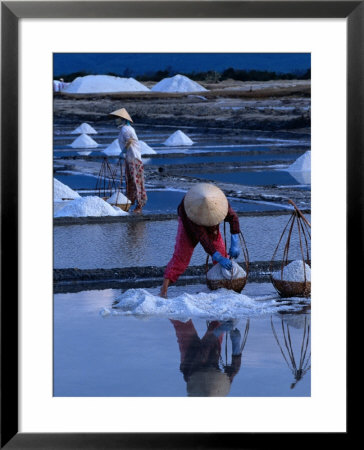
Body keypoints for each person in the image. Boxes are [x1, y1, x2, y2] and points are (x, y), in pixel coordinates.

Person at [160, 183, 241, 298]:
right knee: (181, 259)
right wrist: (216, 256)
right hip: (189, 225)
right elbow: (203, 239)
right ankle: (164, 289)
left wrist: (235, 243)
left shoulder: (219, 201)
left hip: (212, 223)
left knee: (222, 254)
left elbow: (233, 218)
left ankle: (222, 285)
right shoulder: (190, 211)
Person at [170, 318, 243, 396]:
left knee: (182, 323)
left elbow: (205, 347)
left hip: (190, 357)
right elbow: (234, 369)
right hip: (212, 357)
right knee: (218, 323)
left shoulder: (195, 368)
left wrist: (217, 332)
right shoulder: (220, 386)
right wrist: (236, 345)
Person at [109, 108, 147, 214]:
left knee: (135, 182)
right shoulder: (125, 128)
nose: (116, 120)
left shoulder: (125, 129)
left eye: (118, 118)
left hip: (133, 158)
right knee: (130, 181)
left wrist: (123, 152)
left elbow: (129, 141)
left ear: (123, 119)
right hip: (130, 158)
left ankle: (139, 204)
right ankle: (131, 202)